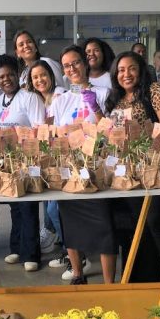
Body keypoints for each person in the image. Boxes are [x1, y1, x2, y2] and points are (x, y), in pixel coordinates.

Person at [105, 50, 160, 283]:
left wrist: (142, 136)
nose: (126, 74)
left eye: (131, 68)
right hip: (129, 172)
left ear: (141, 70)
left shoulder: (155, 90)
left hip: (159, 170)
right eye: (121, 70)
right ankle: (145, 282)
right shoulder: (116, 99)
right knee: (136, 228)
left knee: (157, 222)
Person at [50, 45, 113, 285]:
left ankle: (109, 282)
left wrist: (96, 108)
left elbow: (110, 130)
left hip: (97, 167)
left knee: (104, 224)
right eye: (67, 65)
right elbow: (55, 134)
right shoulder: (61, 99)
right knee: (70, 222)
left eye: (76, 62)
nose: (72, 68)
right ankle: (78, 272)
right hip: (71, 167)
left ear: (85, 63)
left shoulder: (104, 92)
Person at [0, 54, 46, 272]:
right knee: (14, 205)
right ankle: (17, 248)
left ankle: (31, 254)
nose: (6, 79)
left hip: (27, 158)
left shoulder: (29, 97)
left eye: (10, 74)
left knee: (28, 205)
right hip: (7, 161)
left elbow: (40, 129)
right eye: (1, 77)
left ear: (17, 75)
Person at [24, 59, 64, 256]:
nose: (40, 80)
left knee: (53, 209)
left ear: (51, 75)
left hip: (61, 158)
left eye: (43, 75)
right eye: (35, 77)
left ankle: (72, 251)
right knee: (49, 205)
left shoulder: (60, 96)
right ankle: (62, 243)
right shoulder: (38, 100)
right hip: (45, 159)